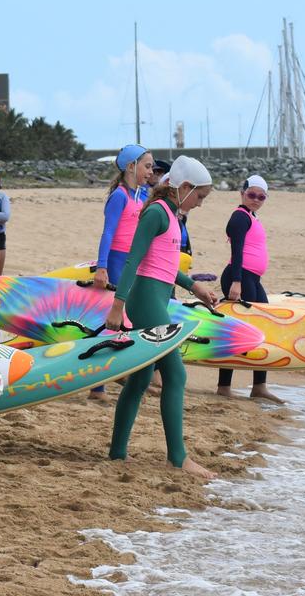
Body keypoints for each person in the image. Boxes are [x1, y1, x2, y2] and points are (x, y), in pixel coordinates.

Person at [104, 155, 218, 479]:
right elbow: (132, 260)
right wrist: (118, 305)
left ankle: (117, 453)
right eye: (199, 197)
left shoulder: (170, 213)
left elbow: (165, 265)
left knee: (141, 378)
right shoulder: (156, 213)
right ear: (184, 187)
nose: (199, 204)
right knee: (176, 374)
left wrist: (194, 286)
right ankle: (178, 458)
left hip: (156, 299)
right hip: (144, 302)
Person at [89, 145, 153, 400]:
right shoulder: (120, 196)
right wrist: (102, 266)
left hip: (134, 262)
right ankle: (98, 386)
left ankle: (122, 370)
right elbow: (108, 232)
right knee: (111, 321)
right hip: (116, 261)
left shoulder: (144, 194)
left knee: (129, 320)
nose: (151, 171)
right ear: (130, 167)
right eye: (147, 166)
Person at [216, 175, 283, 404]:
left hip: (252, 279)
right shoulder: (239, 217)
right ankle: (224, 386)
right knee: (236, 332)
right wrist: (236, 282)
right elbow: (237, 252)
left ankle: (259, 386)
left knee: (264, 328)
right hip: (240, 278)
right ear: (242, 193)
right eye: (251, 195)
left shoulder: (252, 217)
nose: (256, 200)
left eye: (261, 197)